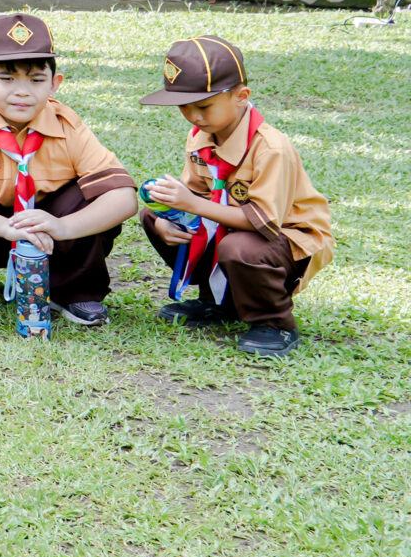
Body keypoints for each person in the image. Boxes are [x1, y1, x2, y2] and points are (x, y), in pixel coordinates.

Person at [0, 13, 136, 325]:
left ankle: (74, 290)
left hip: (51, 234)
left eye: (36, 79)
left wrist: (62, 227)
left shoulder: (67, 124)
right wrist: (5, 227)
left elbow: (124, 198)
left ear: (54, 84)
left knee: (93, 194)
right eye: (6, 78)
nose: (22, 91)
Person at [136, 36, 333, 358]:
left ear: (241, 97)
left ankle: (274, 323)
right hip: (232, 229)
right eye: (183, 106)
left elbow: (263, 222)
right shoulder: (201, 136)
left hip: (287, 240)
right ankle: (217, 303)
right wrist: (167, 219)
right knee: (154, 215)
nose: (193, 116)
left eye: (203, 106)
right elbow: (197, 194)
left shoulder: (271, 148)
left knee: (238, 247)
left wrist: (193, 204)